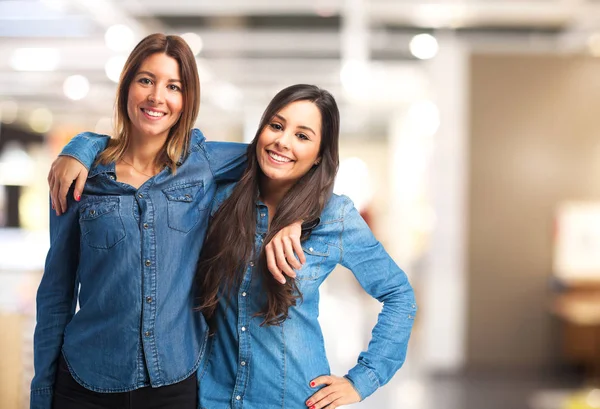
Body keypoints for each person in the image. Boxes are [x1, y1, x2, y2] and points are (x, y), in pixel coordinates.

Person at [33, 33, 302, 409]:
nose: (157, 97)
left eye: (173, 86)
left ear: (186, 100)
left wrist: (294, 217)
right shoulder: (81, 177)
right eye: (145, 80)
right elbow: (55, 294)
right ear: (127, 87)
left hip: (174, 384)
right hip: (85, 381)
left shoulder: (205, 164)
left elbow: (294, 164)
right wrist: (42, 393)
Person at [194, 84, 417, 409]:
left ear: (318, 155)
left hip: (292, 398)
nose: (283, 141)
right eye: (276, 126)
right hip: (212, 397)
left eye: (303, 136)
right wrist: (88, 149)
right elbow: (186, 152)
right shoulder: (220, 199)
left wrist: (363, 380)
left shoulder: (334, 217)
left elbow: (400, 296)